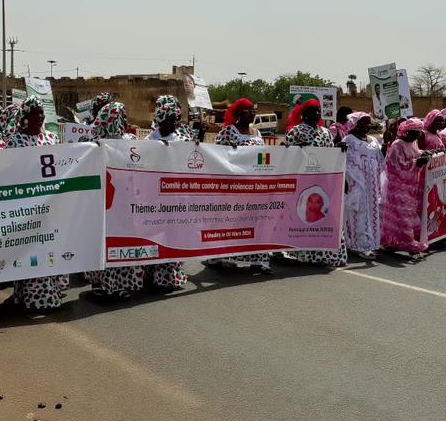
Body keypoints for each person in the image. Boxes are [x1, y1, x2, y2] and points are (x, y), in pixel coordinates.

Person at [3, 96, 68, 311]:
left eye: (41, 113)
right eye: (35, 113)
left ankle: (50, 294)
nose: (39, 117)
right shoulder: (15, 142)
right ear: (25, 116)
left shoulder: (51, 139)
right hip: (27, 209)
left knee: (49, 248)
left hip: (50, 206)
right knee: (30, 251)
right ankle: (33, 298)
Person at [85, 102, 145, 300]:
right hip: (104, 203)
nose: (126, 120)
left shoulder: (130, 140)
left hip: (125, 203)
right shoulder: (92, 142)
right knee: (105, 242)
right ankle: (101, 284)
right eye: (123, 116)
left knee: (124, 242)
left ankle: (123, 283)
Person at [205, 98, 271, 273]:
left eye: (253, 110)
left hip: (255, 188)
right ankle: (219, 255)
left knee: (257, 223)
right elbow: (217, 157)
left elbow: (264, 156)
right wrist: (231, 153)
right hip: (234, 188)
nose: (252, 114)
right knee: (230, 223)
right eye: (248, 111)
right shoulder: (227, 132)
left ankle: (259, 261)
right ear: (239, 113)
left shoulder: (257, 133)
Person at [284, 99, 348, 267]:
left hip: (323, 183)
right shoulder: (295, 132)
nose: (317, 114)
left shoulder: (326, 132)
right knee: (304, 216)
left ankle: (326, 255)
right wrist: (298, 149)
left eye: (319, 111)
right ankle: (304, 255)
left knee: (326, 216)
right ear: (304, 114)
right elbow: (285, 154)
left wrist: (339, 148)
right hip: (302, 182)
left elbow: (330, 154)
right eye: (313, 111)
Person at [141, 95, 191, 291]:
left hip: (176, 198)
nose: (174, 123)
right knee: (156, 235)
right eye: (170, 119)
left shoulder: (183, 139)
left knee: (174, 235)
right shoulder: (149, 140)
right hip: (155, 199)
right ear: (161, 119)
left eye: (176, 119)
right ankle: (152, 273)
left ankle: (170, 277)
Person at [381, 118, 431, 259]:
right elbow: (395, 167)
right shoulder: (397, 145)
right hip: (398, 189)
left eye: (418, 133)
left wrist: (423, 155)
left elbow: (415, 154)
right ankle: (409, 244)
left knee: (406, 216)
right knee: (402, 218)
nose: (417, 136)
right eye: (414, 133)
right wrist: (416, 163)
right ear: (407, 132)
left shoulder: (413, 143)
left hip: (410, 186)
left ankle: (393, 242)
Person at [341, 112, 383, 260]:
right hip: (356, 183)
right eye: (364, 123)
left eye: (369, 123)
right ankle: (360, 245)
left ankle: (369, 243)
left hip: (371, 184)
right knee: (359, 213)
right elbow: (344, 161)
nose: (368, 126)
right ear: (355, 125)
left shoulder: (372, 140)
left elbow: (380, 159)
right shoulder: (349, 140)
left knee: (370, 213)